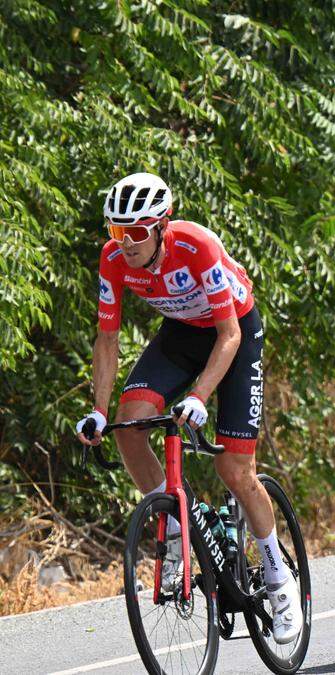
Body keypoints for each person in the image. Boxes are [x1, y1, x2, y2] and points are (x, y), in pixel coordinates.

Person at [74, 172, 300, 644]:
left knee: (235, 471)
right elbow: (108, 338)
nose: (125, 243)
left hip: (233, 331)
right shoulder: (114, 259)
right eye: (116, 231)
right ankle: (178, 522)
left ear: (161, 226)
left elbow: (230, 335)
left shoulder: (196, 246)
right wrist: (98, 409)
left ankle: (279, 576)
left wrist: (198, 397)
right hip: (180, 334)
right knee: (128, 425)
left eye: (135, 232)